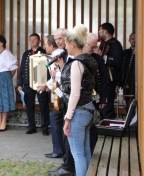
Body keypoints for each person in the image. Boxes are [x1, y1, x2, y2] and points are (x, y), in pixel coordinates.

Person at [61, 24, 97, 176]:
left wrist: (68, 118)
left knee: (78, 154)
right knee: (86, 152)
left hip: (78, 112)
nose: (65, 47)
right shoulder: (89, 60)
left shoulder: (76, 63)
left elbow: (75, 94)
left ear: (73, 44)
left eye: (66, 44)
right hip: (89, 109)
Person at [38, 30, 66, 160]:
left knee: (55, 119)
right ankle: (61, 148)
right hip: (60, 91)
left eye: (45, 44)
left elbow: (58, 75)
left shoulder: (56, 55)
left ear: (51, 45)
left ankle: (58, 149)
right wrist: (47, 85)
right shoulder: (60, 53)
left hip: (61, 93)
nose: (44, 47)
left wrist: (46, 86)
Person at [17, 33, 49, 135]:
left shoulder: (44, 52)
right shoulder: (26, 54)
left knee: (43, 105)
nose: (32, 41)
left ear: (39, 41)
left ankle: (45, 128)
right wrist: (20, 84)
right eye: (30, 40)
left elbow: (48, 69)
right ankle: (31, 126)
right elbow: (22, 70)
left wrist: (48, 84)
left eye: (34, 39)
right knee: (29, 106)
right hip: (28, 83)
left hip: (41, 83)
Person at [0, 35, 18, 132]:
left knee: (4, 100)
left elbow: (13, 68)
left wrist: (7, 78)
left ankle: (4, 122)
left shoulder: (6, 53)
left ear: (2, 43)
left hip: (3, 79)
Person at [96, 22, 123, 119]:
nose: (99, 33)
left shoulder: (115, 44)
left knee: (107, 104)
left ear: (106, 32)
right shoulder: (103, 44)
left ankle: (108, 127)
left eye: (100, 31)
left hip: (110, 79)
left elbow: (118, 61)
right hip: (103, 78)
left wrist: (103, 56)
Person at [121, 32, 136, 109]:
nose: (135, 40)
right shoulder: (125, 53)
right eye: (133, 39)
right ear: (129, 40)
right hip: (127, 82)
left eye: (136, 38)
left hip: (138, 82)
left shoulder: (143, 52)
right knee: (129, 103)